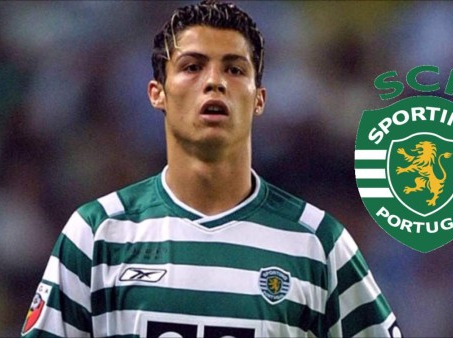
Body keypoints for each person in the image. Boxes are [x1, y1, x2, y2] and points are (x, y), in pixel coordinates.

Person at [21, 1, 401, 337]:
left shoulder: (319, 244)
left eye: (235, 70)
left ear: (260, 100)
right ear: (158, 93)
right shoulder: (96, 234)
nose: (214, 82)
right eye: (192, 66)